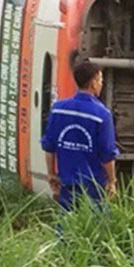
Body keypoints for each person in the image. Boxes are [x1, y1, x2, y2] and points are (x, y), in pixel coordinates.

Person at [40, 60, 118, 212]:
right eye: (100, 80)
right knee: (97, 227)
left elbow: (49, 146)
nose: (101, 84)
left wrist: (51, 174)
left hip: (67, 180)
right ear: (93, 83)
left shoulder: (58, 109)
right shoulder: (102, 115)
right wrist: (112, 181)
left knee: (66, 224)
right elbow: (107, 154)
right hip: (94, 185)